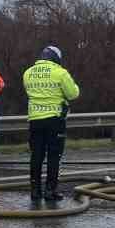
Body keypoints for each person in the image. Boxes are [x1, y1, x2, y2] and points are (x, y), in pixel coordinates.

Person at [23, 45, 80, 202]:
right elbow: (73, 93)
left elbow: (29, 92)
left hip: (35, 119)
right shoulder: (60, 73)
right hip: (55, 120)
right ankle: (50, 191)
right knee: (54, 156)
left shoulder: (28, 73)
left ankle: (35, 191)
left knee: (36, 156)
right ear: (56, 58)